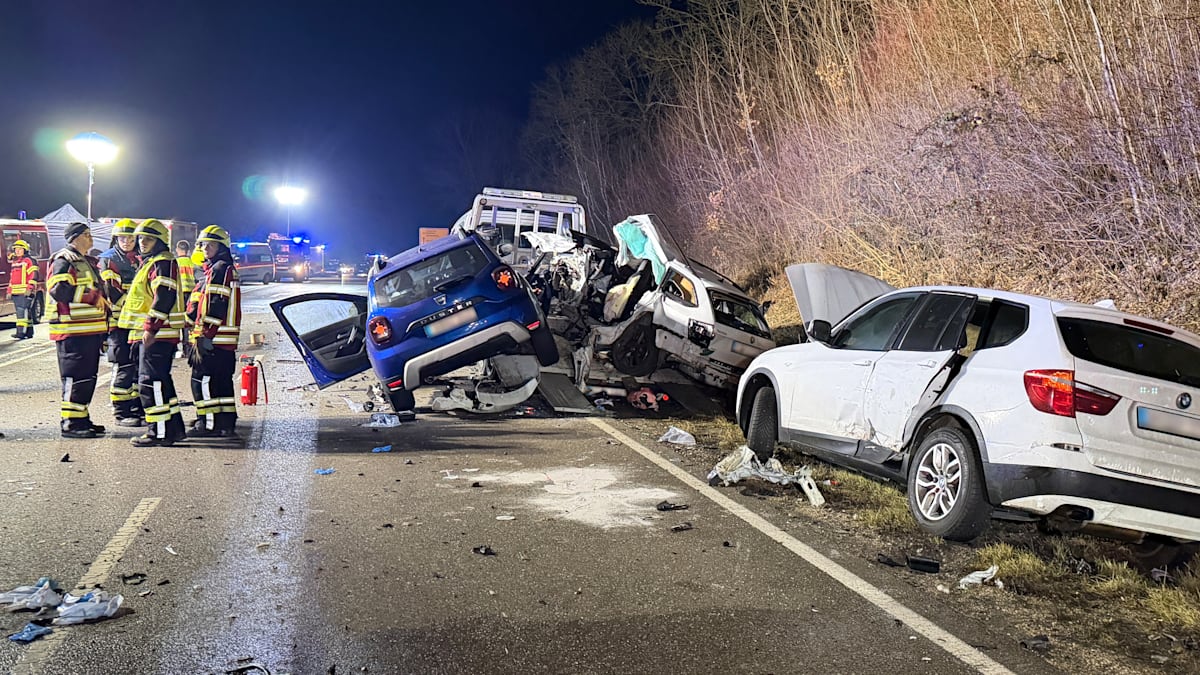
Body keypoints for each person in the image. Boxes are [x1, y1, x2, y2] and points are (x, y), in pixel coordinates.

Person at [119, 219, 187, 447]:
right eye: (140, 238)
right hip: (154, 333)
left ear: (159, 241)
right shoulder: (153, 262)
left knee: (151, 383)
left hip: (157, 335)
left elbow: (164, 295)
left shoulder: (162, 262)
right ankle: (173, 429)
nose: (142, 242)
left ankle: (158, 432)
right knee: (161, 382)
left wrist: (150, 328)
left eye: (147, 238)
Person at [46, 222, 109, 439]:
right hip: (72, 330)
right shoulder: (64, 259)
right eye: (87, 235)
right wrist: (90, 296)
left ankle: (82, 418)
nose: (91, 239)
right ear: (75, 237)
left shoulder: (83, 261)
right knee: (75, 377)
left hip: (87, 331)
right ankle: (71, 423)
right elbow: (58, 289)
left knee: (86, 377)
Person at [186, 225, 242, 438]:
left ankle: (207, 424)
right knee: (222, 382)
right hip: (225, 339)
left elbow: (217, 303)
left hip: (214, 337)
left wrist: (205, 334)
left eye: (210, 243)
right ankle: (226, 423)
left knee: (203, 380)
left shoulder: (219, 269)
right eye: (202, 243)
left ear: (221, 246)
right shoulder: (225, 268)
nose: (205, 247)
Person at [98, 218, 145, 425]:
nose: (126, 241)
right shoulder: (109, 259)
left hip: (135, 323)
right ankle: (120, 411)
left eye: (130, 237)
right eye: (122, 237)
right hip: (118, 323)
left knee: (135, 366)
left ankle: (134, 407)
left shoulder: (138, 259)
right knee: (123, 366)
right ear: (115, 238)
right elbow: (112, 292)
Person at [7, 239, 39, 340]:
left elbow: (33, 276)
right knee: (25, 312)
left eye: (20, 249)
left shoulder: (29, 261)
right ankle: (29, 332)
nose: (17, 251)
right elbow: (12, 278)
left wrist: (30, 288)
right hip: (16, 292)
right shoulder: (15, 262)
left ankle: (21, 333)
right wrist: (9, 290)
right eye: (16, 249)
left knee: (21, 313)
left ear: (25, 250)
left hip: (25, 292)